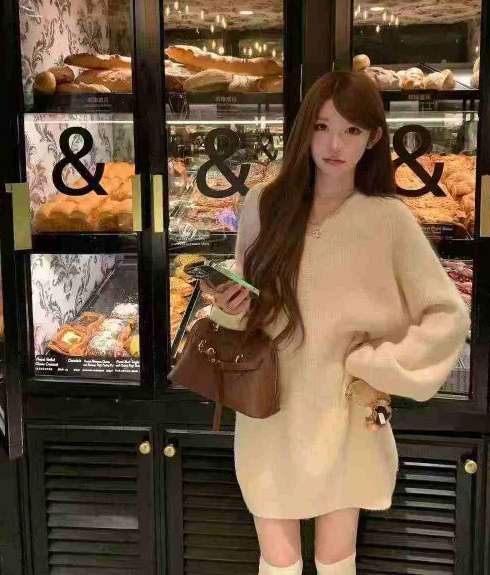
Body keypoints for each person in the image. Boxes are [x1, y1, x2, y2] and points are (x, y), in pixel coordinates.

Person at [199, 70, 470, 575]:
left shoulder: (388, 219)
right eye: (322, 126)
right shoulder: (262, 205)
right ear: (305, 130)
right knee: (278, 561)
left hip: (346, 413)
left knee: (335, 560)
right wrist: (228, 307)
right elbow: (246, 310)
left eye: (351, 130)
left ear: (374, 137)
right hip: (269, 408)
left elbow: (448, 316)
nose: (334, 144)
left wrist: (378, 365)